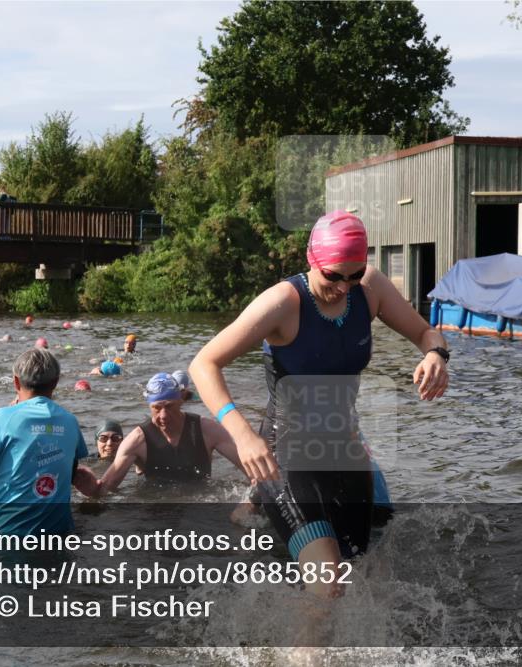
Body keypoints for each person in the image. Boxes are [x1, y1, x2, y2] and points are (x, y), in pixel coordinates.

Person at [189, 210, 449, 598]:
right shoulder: (282, 303)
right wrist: (242, 435)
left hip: (346, 454)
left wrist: (436, 356)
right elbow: (204, 364)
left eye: (354, 274)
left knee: (364, 577)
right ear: (313, 260)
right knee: (328, 581)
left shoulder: (371, 288)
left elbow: (426, 332)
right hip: (287, 457)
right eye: (333, 276)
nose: (345, 286)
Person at [0, 348, 92, 535]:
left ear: (16, 382)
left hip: (8, 534)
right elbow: (70, 474)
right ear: (55, 382)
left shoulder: (2, 418)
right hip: (58, 534)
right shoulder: (70, 421)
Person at [78, 372, 245, 496]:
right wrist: (88, 485)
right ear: (149, 406)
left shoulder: (207, 430)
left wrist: (251, 502)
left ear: (181, 400)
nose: (163, 415)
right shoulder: (136, 441)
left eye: (170, 406)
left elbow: (253, 470)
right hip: (158, 512)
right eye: (157, 408)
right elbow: (104, 491)